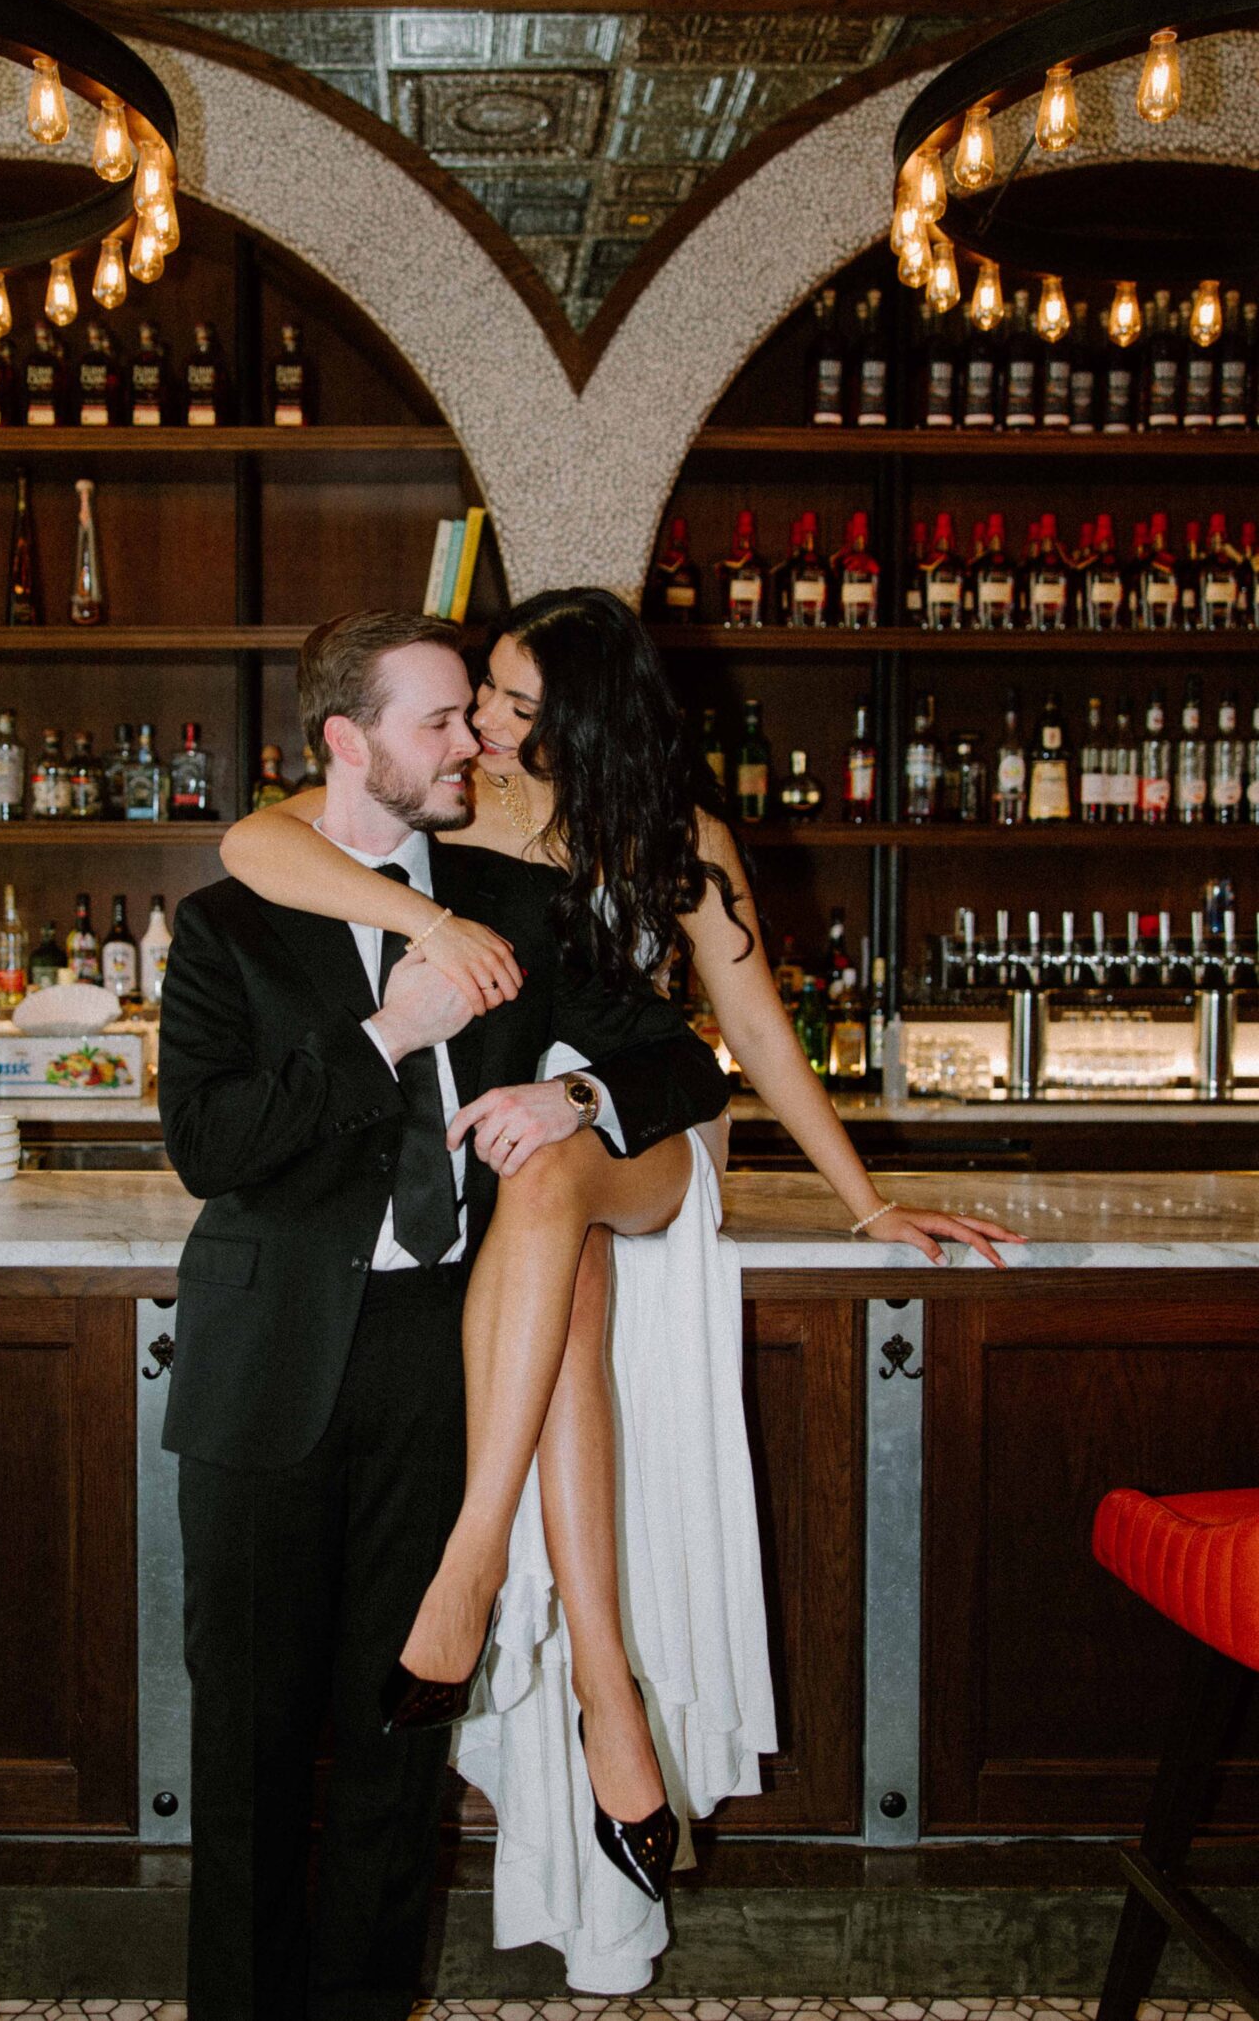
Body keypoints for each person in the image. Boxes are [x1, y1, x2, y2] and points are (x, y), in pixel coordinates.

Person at [220, 586, 1025, 1993]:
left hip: (652, 1145)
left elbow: (755, 1036)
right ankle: (604, 1688)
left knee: (563, 1168)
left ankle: (467, 1570)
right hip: (540, 1168)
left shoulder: (687, 841)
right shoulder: (460, 816)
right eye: (484, 704)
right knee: (544, 1199)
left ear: (593, 711)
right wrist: (413, 914)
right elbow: (253, 841)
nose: (488, 727)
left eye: (521, 705)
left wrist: (866, 1196)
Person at [156, 608, 734, 2021]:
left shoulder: (515, 908)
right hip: (260, 1379)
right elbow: (211, 1149)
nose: (476, 738)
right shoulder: (229, 925)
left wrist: (574, 1096)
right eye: (441, 720)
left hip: (440, 1374)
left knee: (394, 1758)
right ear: (350, 744)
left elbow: (683, 1060)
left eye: (477, 710)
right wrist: (387, 1037)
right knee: (246, 1753)